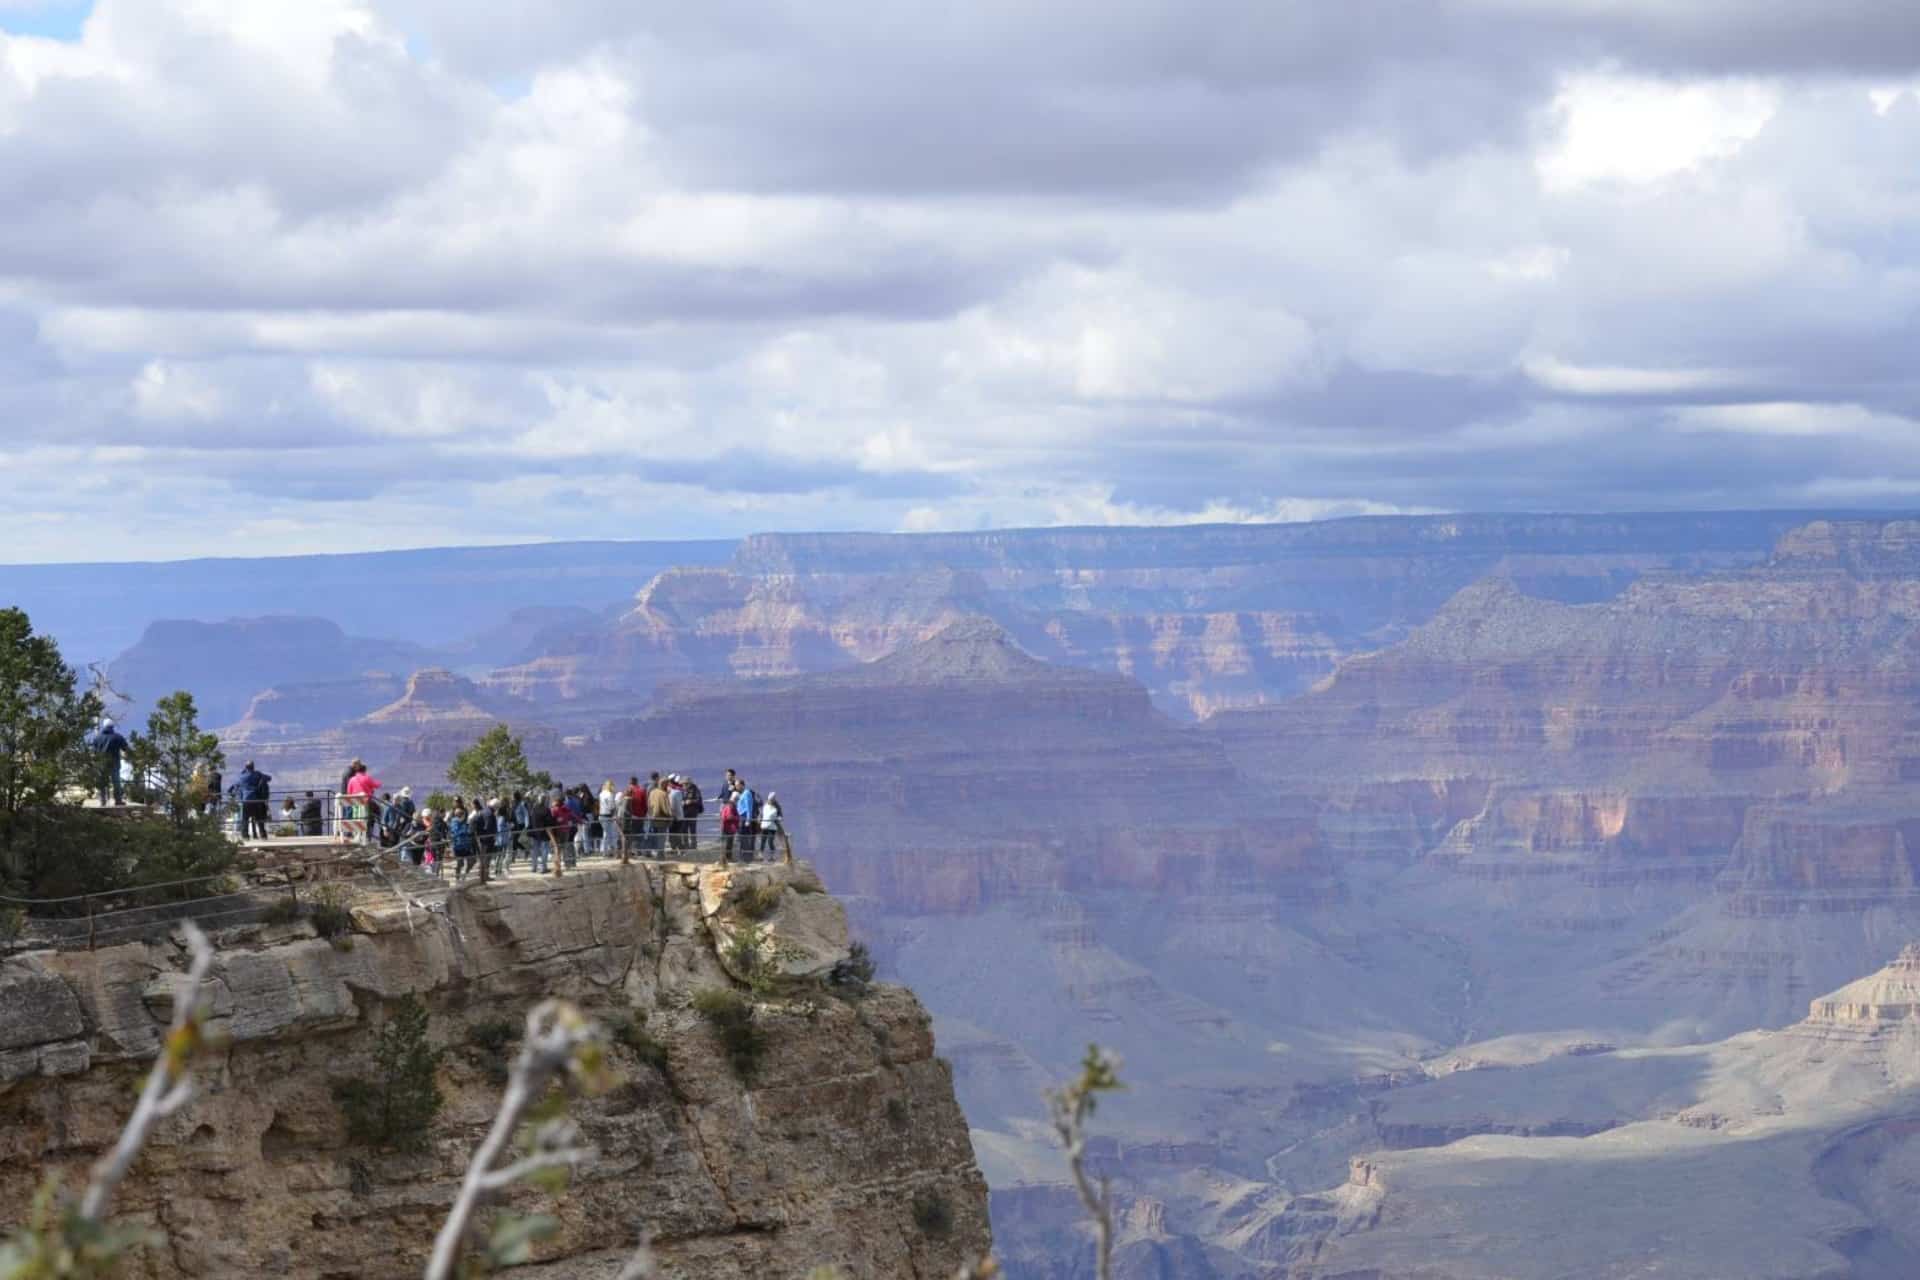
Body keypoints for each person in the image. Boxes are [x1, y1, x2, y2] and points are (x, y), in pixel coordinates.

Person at [89, 718, 130, 805]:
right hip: (115, 763)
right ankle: (118, 801)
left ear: (104, 726)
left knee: (102, 782)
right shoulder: (117, 737)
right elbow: (126, 749)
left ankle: (102, 801)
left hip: (101, 764)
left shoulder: (97, 738)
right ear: (112, 726)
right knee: (116, 782)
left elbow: (93, 752)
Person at [232, 760, 272, 840]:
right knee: (259, 818)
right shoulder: (258, 774)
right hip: (256, 800)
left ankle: (245, 836)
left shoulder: (241, 776)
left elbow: (235, 785)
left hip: (246, 800)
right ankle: (263, 835)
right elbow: (269, 778)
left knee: (245, 819)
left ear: (245, 767)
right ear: (253, 767)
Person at [346, 763, 383, 845]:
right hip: (366, 802)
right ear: (364, 770)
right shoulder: (367, 778)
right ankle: (367, 837)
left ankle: (356, 836)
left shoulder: (352, 779)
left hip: (355, 802)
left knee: (356, 818)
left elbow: (349, 792)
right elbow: (376, 785)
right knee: (368, 819)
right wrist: (380, 783)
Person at [548, 792, 575, 874]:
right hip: (566, 830)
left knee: (557, 849)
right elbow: (573, 816)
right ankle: (567, 864)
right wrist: (581, 821)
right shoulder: (566, 809)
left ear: (556, 802)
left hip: (558, 832)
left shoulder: (554, 810)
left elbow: (551, 819)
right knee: (564, 847)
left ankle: (557, 866)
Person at [646, 772, 671, 856]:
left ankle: (649, 851)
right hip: (662, 818)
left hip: (653, 816)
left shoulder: (652, 792)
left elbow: (649, 804)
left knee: (653, 835)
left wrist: (650, 814)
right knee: (661, 836)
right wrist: (670, 815)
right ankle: (660, 853)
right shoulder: (663, 794)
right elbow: (665, 808)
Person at [760, 791, 783, 857]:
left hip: (772, 827)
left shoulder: (777, 807)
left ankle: (772, 855)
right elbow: (762, 814)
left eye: (772, 799)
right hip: (764, 826)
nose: (770, 801)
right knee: (763, 840)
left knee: (770, 841)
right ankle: (760, 854)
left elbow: (780, 815)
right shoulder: (765, 806)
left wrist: (779, 818)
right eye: (770, 799)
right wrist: (760, 819)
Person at [720, 790, 740, 861]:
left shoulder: (728, 805)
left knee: (728, 844)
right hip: (729, 827)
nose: (738, 801)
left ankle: (727, 858)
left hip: (727, 827)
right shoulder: (730, 806)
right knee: (728, 844)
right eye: (737, 799)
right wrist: (737, 817)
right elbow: (729, 816)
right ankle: (728, 858)